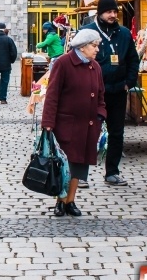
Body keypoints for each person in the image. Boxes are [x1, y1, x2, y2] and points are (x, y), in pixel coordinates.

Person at [40, 29, 107, 217]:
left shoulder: (95, 66)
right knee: (65, 165)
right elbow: (52, 95)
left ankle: (71, 200)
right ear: (83, 46)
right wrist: (48, 123)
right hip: (66, 124)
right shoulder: (63, 63)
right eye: (94, 46)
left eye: (97, 46)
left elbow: (101, 94)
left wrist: (101, 114)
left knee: (79, 165)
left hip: (88, 125)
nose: (97, 50)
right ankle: (60, 201)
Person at [80, 0, 140, 187]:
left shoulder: (123, 34)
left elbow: (133, 59)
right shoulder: (87, 32)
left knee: (117, 133)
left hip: (117, 91)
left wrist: (128, 82)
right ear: (100, 13)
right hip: (93, 93)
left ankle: (112, 172)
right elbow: (78, 59)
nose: (113, 15)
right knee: (89, 132)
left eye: (115, 11)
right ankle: (80, 174)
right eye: (109, 12)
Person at [0, 22, 18, 105]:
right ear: (4, 28)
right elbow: (14, 52)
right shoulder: (9, 40)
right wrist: (11, 61)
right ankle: (3, 98)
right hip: (6, 65)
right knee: (4, 81)